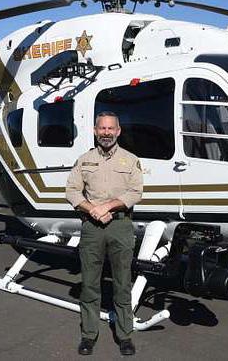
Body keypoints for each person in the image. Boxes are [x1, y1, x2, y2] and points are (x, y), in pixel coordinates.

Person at [65, 111, 143, 356]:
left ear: (118, 131)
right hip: (92, 227)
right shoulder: (84, 160)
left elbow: (135, 192)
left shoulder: (130, 160)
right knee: (89, 283)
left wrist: (107, 207)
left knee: (122, 283)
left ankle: (125, 335)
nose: (106, 133)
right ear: (95, 131)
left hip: (120, 226)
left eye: (111, 128)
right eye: (102, 128)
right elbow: (72, 191)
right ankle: (89, 335)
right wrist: (92, 210)